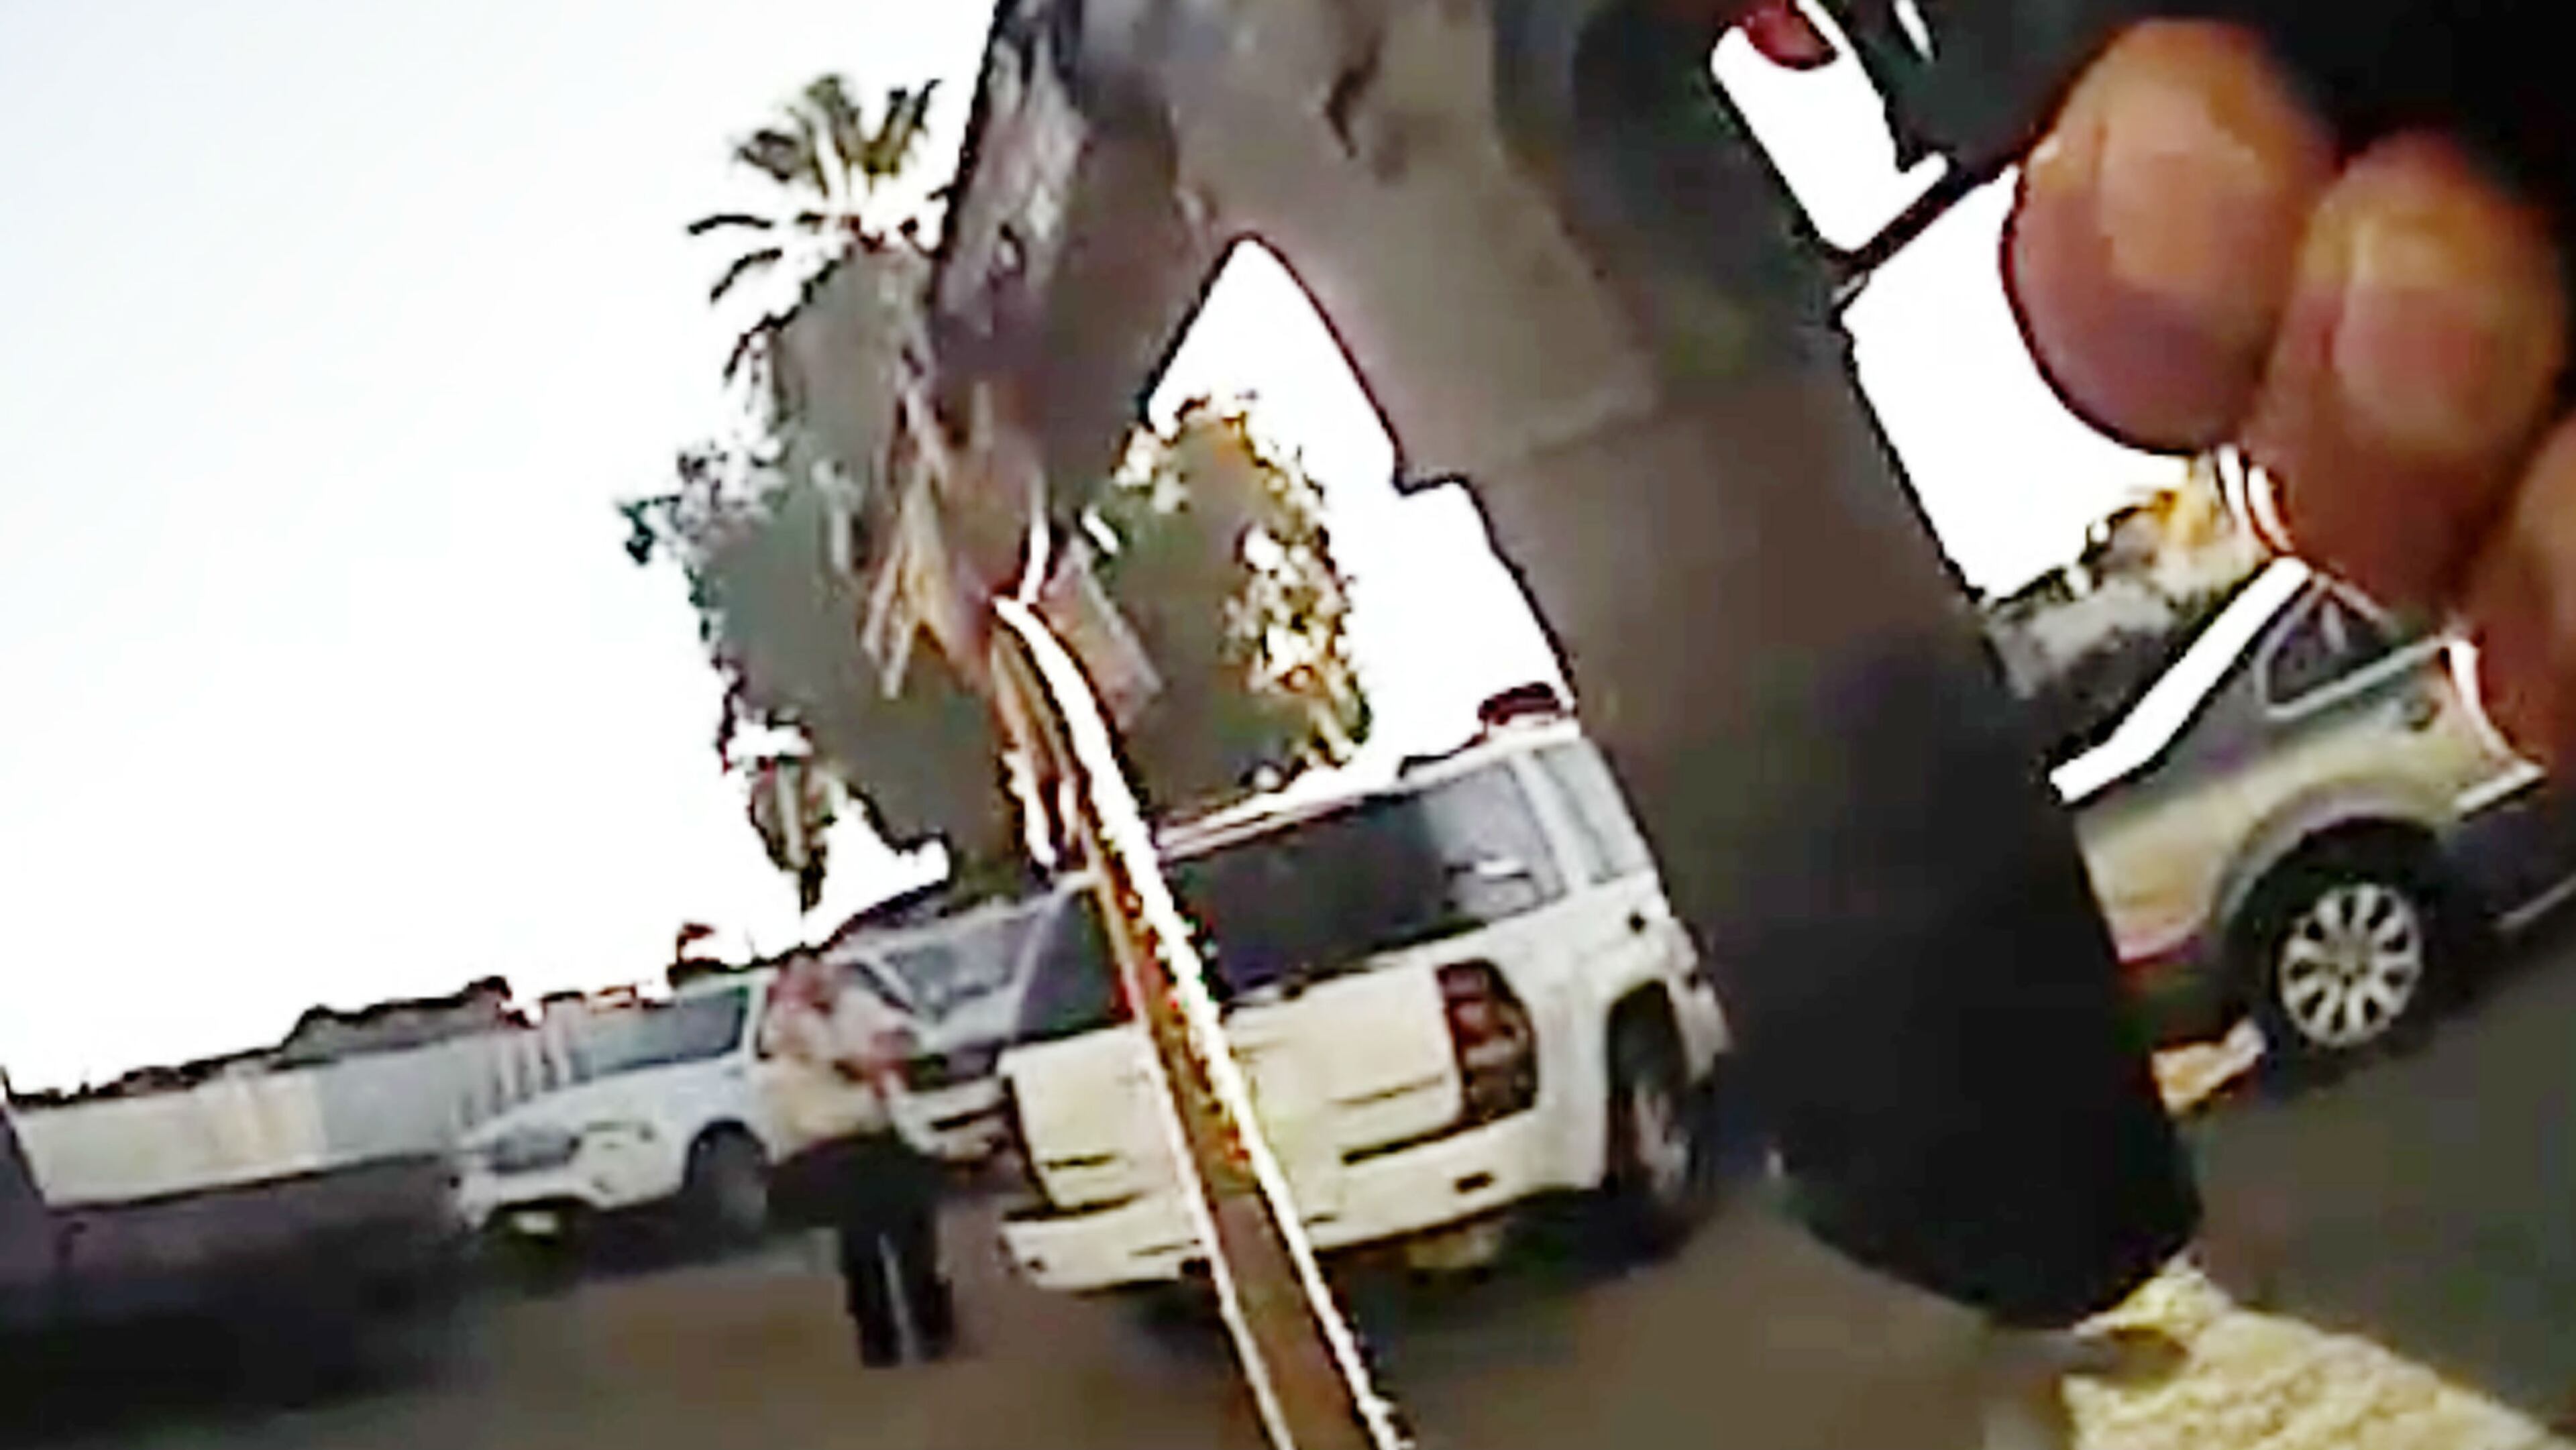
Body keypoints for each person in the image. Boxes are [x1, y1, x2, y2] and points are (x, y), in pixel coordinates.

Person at [759, 952, 957, 1368]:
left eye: (817, 971)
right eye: (801, 976)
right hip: (834, 1146)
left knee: (915, 1239)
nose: (814, 982)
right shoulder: (786, 1025)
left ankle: (935, 1334)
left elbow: (904, 1037)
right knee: (860, 1250)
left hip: (884, 1134)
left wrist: (887, 1050)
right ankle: (878, 1345)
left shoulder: (857, 1005)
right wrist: (872, 1060)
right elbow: (842, 1064)